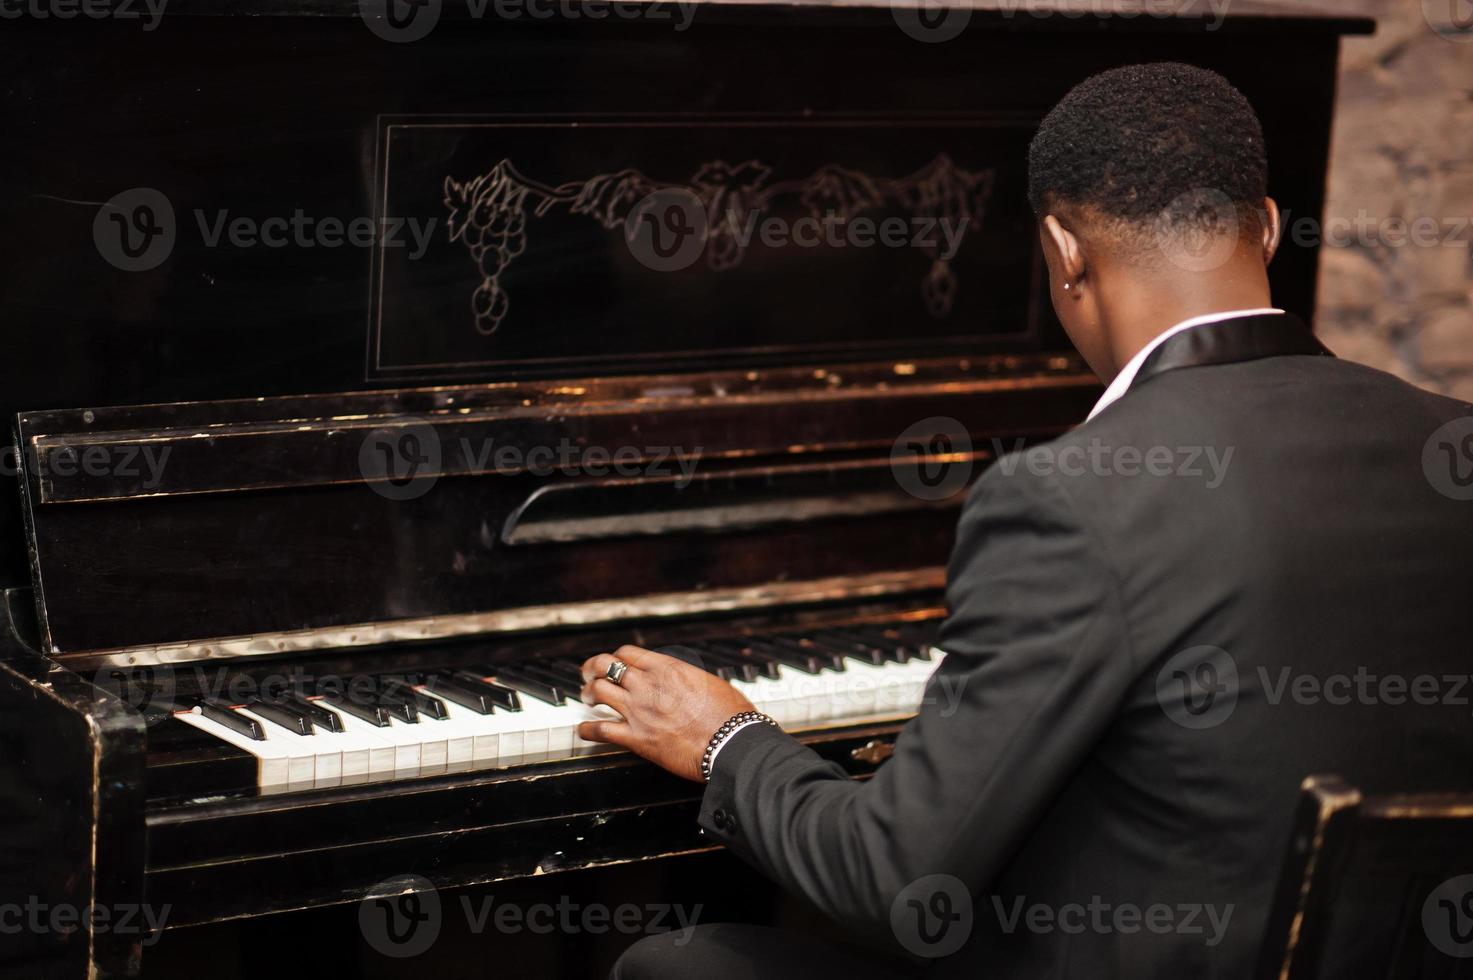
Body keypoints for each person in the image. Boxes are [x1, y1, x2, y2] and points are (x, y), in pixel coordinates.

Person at [573, 62, 1473, 978]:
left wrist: (728, 742)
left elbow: (893, 879)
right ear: (1270, 227)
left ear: (1064, 249)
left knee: (679, 964)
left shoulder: (1076, 494)